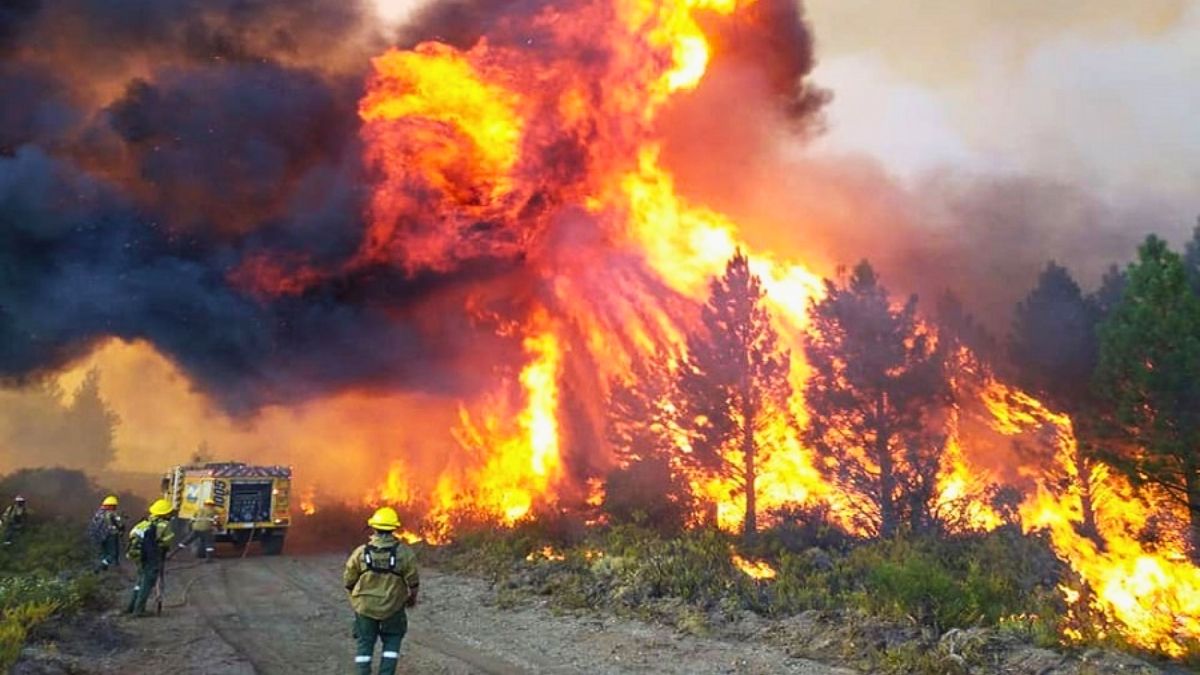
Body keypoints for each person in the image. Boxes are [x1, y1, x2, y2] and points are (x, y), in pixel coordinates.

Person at [343, 507, 419, 675]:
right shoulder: (404, 553)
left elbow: (348, 579)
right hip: (393, 608)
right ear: (394, 528)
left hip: (365, 608)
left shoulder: (361, 552)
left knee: (365, 643)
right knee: (392, 641)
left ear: (374, 528)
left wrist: (355, 597)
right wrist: (411, 598)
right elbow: (413, 581)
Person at [126, 499, 175, 616]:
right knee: (147, 582)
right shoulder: (164, 525)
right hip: (151, 556)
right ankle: (139, 610)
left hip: (136, 555)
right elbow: (167, 541)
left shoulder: (143, 523)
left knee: (140, 580)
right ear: (165, 513)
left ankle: (131, 607)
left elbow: (132, 535)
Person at [88, 495, 125, 570]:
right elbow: (120, 524)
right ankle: (102, 566)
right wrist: (121, 529)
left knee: (104, 553)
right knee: (113, 553)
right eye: (114, 506)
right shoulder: (112, 513)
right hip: (110, 535)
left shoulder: (98, 513)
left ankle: (103, 569)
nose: (115, 508)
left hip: (98, 536)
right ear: (111, 506)